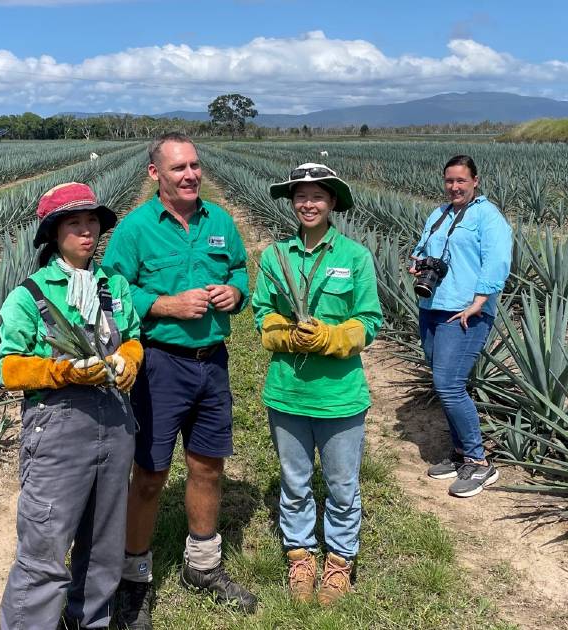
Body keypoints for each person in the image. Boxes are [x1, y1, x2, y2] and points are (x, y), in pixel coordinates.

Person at [102, 132, 255, 629]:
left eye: (194, 165)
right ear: (155, 175)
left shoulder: (221, 221)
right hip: (159, 364)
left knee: (208, 465)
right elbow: (110, 289)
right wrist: (162, 305)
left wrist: (236, 291)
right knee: (149, 476)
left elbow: (238, 269)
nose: (190, 175)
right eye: (178, 169)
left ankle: (203, 567)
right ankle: (134, 579)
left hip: (213, 362)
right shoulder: (136, 229)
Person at [0, 182, 143, 630]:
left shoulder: (113, 284)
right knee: (45, 547)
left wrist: (132, 360)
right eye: (74, 224)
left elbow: (133, 335)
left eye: (92, 222)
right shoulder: (31, 294)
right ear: (54, 234)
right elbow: (6, 368)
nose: (86, 232)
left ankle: (89, 621)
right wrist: (61, 372)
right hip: (57, 431)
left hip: (115, 424)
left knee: (103, 544)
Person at [253, 163, 383, 605]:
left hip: (341, 395)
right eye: (300, 196)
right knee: (295, 481)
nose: (308, 204)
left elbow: (370, 320)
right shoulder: (276, 256)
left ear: (332, 203)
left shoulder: (354, 256)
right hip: (287, 391)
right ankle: (300, 555)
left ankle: (340, 562)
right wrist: (285, 334)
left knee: (343, 485)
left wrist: (331, 337)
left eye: (317, 196)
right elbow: (260, 315)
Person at [409, 155, 512, 498]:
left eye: (461, 181)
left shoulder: (488, 217)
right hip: (432, 307)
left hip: (466, 312)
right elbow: (421, 247)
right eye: (449, 181)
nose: (454, 187)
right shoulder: (438, 215)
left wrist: (479, 302)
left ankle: (480, 462)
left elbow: (497, 261)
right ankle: (458, 454)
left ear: (475, 181)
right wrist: (418, 263)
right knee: (444, 385)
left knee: (449, 384)